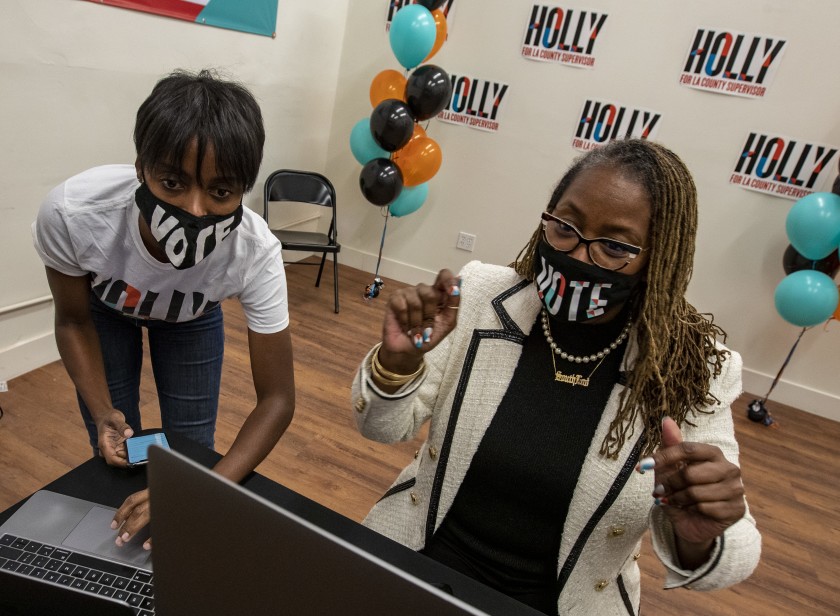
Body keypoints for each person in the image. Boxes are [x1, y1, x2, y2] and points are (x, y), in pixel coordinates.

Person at [350, 139, 761, 615]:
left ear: (658, 256)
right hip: (422, 562)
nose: (579, 257)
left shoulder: (696, 368)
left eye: (613, 246)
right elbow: (380, 429)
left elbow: (739, 548)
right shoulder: (481, 295)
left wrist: (699, 539)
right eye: (565, 227)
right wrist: (398, 365)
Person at [32, 69, 295, 549]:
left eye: (220, 193)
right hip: (105, 313)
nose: (195, 210)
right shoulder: (72, 214)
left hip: (193, 320)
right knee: (115, 439)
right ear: (141, 167)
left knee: (193, 445)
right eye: (172, 182)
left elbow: (277, 399)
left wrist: (197, 488)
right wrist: (100, 410)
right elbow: (72, 320)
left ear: (244, 190)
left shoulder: (254, 251)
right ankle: (120, 544)